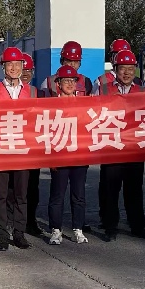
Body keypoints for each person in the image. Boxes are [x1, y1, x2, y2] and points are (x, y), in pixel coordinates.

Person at [94, 49, 145, 241]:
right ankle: (110, 227)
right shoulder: (104, 89)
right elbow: (92, 113)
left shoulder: (142, 91)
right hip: (111, 147)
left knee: (134, 189)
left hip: (134, 148)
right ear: (115, 69)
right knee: (110, 189)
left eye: (130, 68)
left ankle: (137, 226)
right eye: (122, 68)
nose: (127, 72)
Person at [0, 47, 37, 250]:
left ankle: (19, 232)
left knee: (21, 194)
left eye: (17, 64)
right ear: (3, 67)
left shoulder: (33, 92)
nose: (14, 68)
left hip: (23, 150)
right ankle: (2, 234)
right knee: (1, 194)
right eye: (10, 64)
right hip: (1, 150)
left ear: (23, 66)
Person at [46, 65, 90, 246]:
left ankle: (78, 229)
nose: (70, 84)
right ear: (58, 84)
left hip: (79, 155)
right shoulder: (51, 105)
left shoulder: (84, 104)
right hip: (60, 156)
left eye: (73, 81)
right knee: (58, 195)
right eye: (66, 81)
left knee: (78, 195)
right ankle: (56, 230)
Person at [20, 52, 45, 237]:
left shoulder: (38, 93)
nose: (26, 73)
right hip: (14, 147)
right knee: (14, 189)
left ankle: (30, 221)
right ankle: (15, 222)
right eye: (23, 70)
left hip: (33, 148)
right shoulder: (4, 93)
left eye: (29, 70)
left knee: (32, 188)